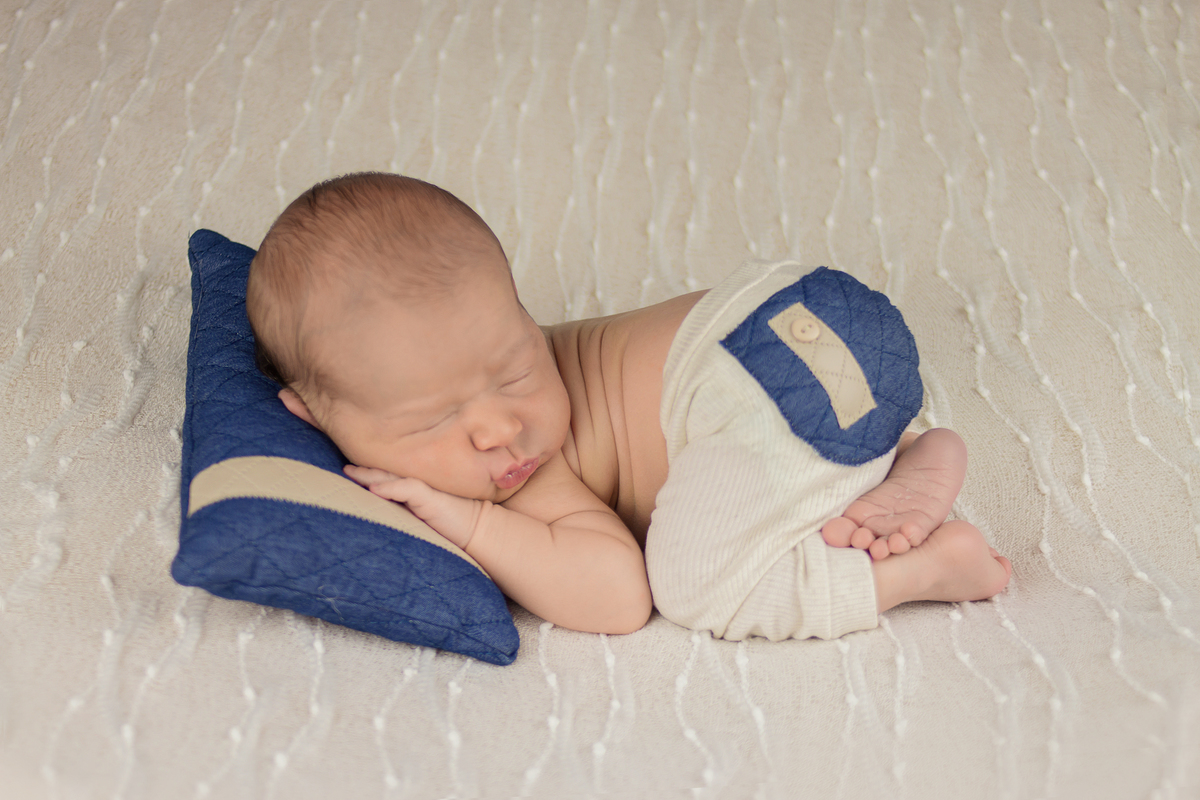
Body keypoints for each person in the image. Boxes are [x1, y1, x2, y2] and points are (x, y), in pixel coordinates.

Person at [245, 172, 1011, 641]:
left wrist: (471, 522)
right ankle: (904, 454)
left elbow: (617, 598)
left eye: (515, 370)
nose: (503, 429)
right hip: (803, 311)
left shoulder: (518, 478)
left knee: (694, 583)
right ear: (309, 414)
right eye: (434, 422)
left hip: (745, 386)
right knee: (766, 450)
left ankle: (927, 570)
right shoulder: (489, 391)